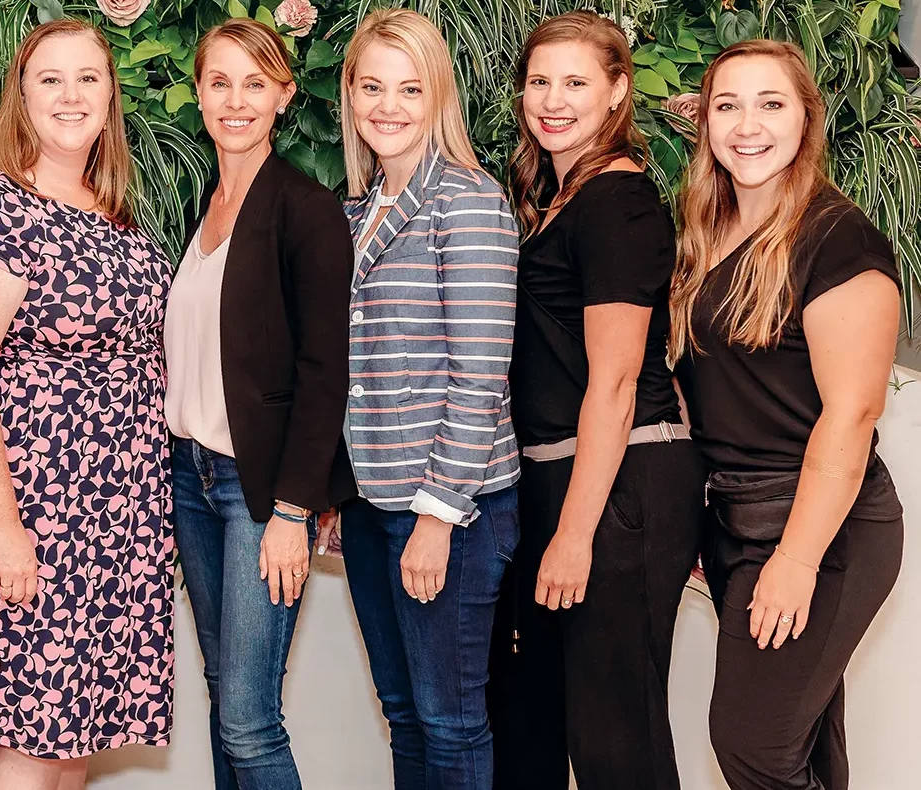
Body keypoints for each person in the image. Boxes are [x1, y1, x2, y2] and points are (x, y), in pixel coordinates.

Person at [0, 18, 173, 790]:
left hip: (117, 507)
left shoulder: (112, 207)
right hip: (34, 501)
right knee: (33, 729)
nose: (71, 96)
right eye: (50, 80)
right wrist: (2, 527)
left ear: (110, 94)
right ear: (21, 96)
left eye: (88, 78)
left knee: (76, 731)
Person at [671, 39, 904, 790]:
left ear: (807, 118)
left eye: (771, 104)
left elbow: (852, 415)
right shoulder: (707, 231)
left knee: (752, 745)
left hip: (825, 529)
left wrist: (796, 562)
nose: (748, 125)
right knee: (803, 748)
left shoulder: (838, 240)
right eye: (727, 104)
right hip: (739, 522)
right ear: (704, 120)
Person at [486, 11, 704, 790]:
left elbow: (613, 387)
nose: (554, 99)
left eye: (577, 82)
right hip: (565, 478)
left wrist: (575, 535)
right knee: (558, 722)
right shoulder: (559, 195)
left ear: (617, 92)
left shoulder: (617, 202)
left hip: (619, 486)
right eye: (540, 81)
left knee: (620, 742)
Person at [327, 9, 519, 790]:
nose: (389, 105)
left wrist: (437, 518)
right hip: (377, 503)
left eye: (410, 88)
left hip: (451, 510)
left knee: (449, 721)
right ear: (350, 94)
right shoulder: (358, 209)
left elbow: (480, 377)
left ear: (438, 94)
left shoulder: (467, 201)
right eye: (372, 86)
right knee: (405, 712)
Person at [167, 18, 356, 790]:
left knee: (248, 718)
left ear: (284, 96)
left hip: (258, 493)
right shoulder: (201, 207)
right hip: (189, 479)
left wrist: (291, 511)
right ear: (200, 94)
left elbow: (324, 371)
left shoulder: (305, 210)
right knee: (223, 700)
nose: (235, 101)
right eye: (220, 83)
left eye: (255, 84)